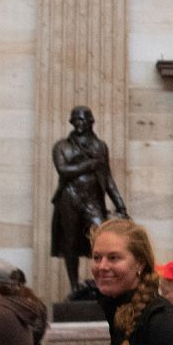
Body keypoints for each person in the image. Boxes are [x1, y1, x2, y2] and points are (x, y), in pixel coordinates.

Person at [50, 106, 128, 290]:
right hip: (69, 196)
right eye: (75, 120)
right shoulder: (62, 146)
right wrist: (90, 164)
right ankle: (74, 286)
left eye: (82, 120)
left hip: (93, 199)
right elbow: (63, 170)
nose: (79, 123)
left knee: (102, 236)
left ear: (91, 122)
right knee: (70, 242)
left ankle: (104, 282)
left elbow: (108, 178)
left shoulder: (100, 147)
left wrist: (120, 206)